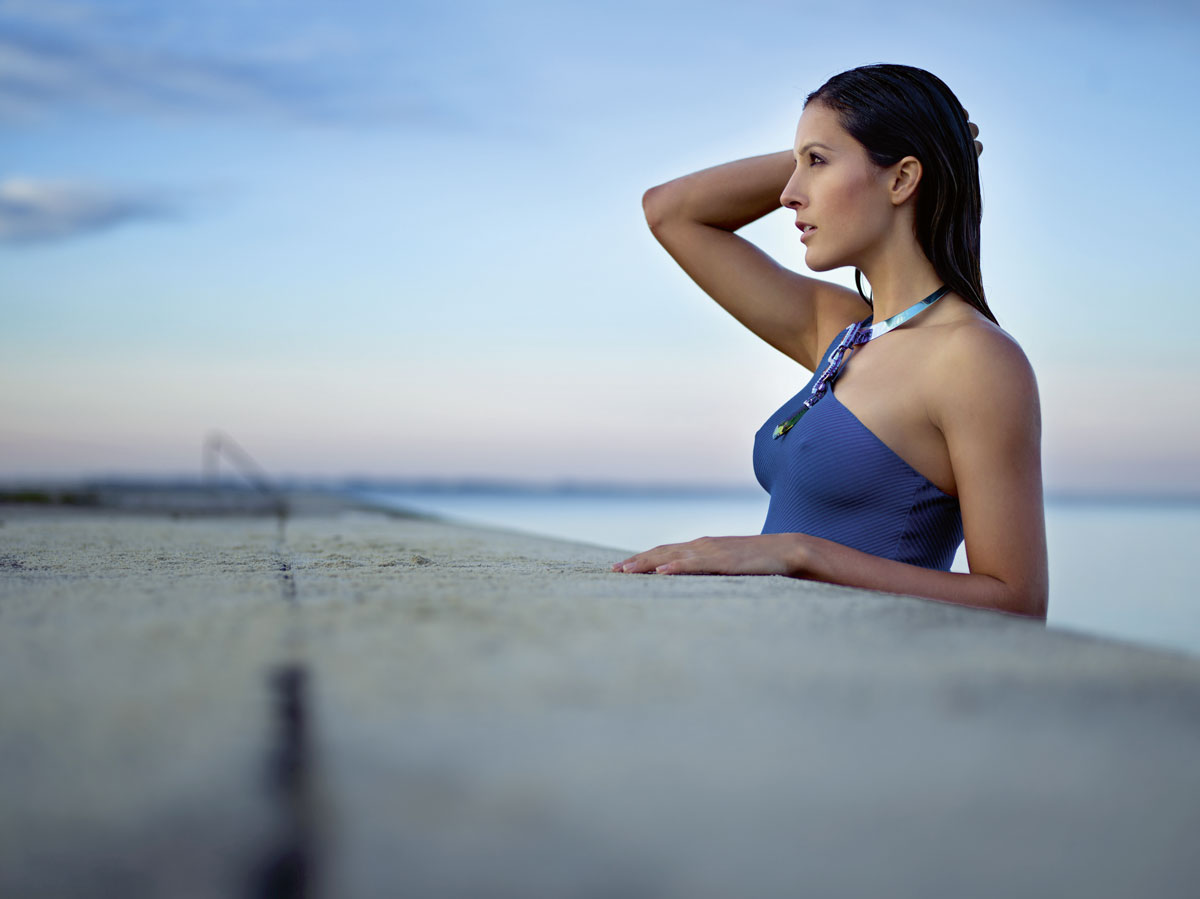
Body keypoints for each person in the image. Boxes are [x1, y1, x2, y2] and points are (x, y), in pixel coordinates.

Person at [612, 64, 1048, 619]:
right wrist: (868, 144)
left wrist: (801, 553)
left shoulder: (973, 360)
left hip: (868, 667)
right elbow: (670, 211)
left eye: (816, 163)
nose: (789, 195)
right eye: (798, 166)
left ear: (901, 180)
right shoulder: (842, 332)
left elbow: (1018, 601)